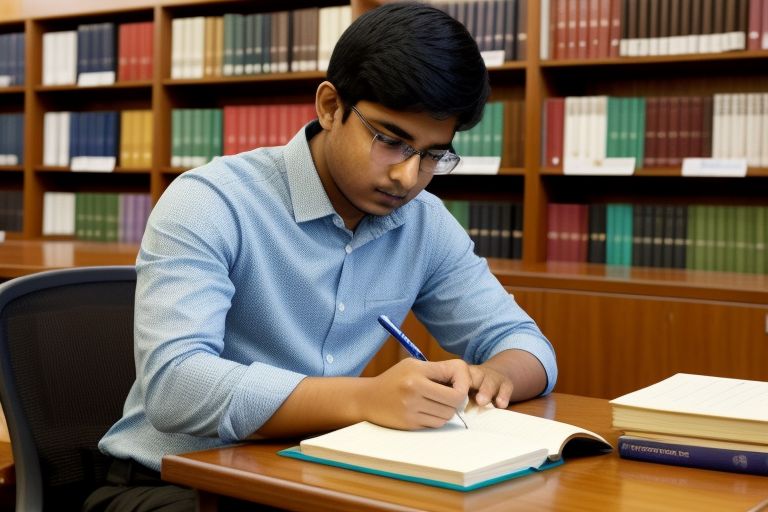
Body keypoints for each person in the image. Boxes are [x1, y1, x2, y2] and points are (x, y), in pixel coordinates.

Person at [85, 3, 557, 511]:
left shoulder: (424, 222)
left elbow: (528, 345)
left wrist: (497, 375)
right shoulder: (211, 200)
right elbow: (176, 386)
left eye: (432, 155)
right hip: (172, 485)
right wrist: (362, 398)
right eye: (391, 142)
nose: (408, 176)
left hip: (312, 477)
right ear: (330, 107)